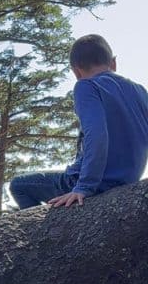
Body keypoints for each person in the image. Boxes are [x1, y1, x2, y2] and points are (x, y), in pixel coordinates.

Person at [9, 34, 148, 210]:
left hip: (95, 183)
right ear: (113, 63)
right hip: (129, 179)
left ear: (76, 71)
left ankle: (40, 230)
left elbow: (96, 135)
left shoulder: (87, 86)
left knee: (18, 185)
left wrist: (84, 186)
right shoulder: (140, 90)